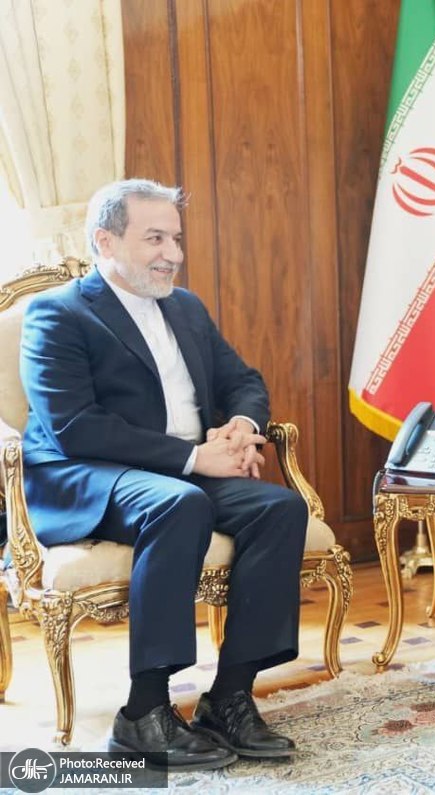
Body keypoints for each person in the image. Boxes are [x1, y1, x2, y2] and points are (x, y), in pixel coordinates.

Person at [20, 179, 308, 771]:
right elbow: (75, 426)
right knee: (179, 503)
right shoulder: (58, 313)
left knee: (280, 508)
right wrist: (196, 459)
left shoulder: (186, 307)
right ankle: (143, 713)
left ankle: (229, 697)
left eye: (175, 238)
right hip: (89, 473)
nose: (172, 253)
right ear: (106, 240)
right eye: (154, 238)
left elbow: (243, 380)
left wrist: (241, 428)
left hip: (181, 472)